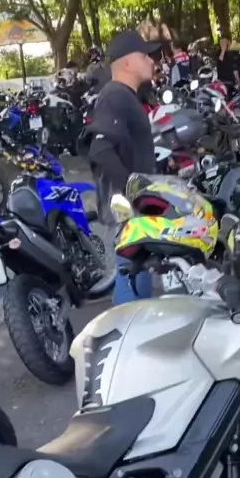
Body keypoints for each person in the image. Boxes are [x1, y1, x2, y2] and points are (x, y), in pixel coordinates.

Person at [88, 29, 161, 304]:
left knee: (139, 275)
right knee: (130, 278)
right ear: (128, 63)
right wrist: (134, 190)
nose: (151, 60)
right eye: (144, 55)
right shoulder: (115, 96)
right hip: (126, 208)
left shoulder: (124, 95)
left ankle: (136, 326)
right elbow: (100, 149)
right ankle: (124, 329)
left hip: (132, 207)